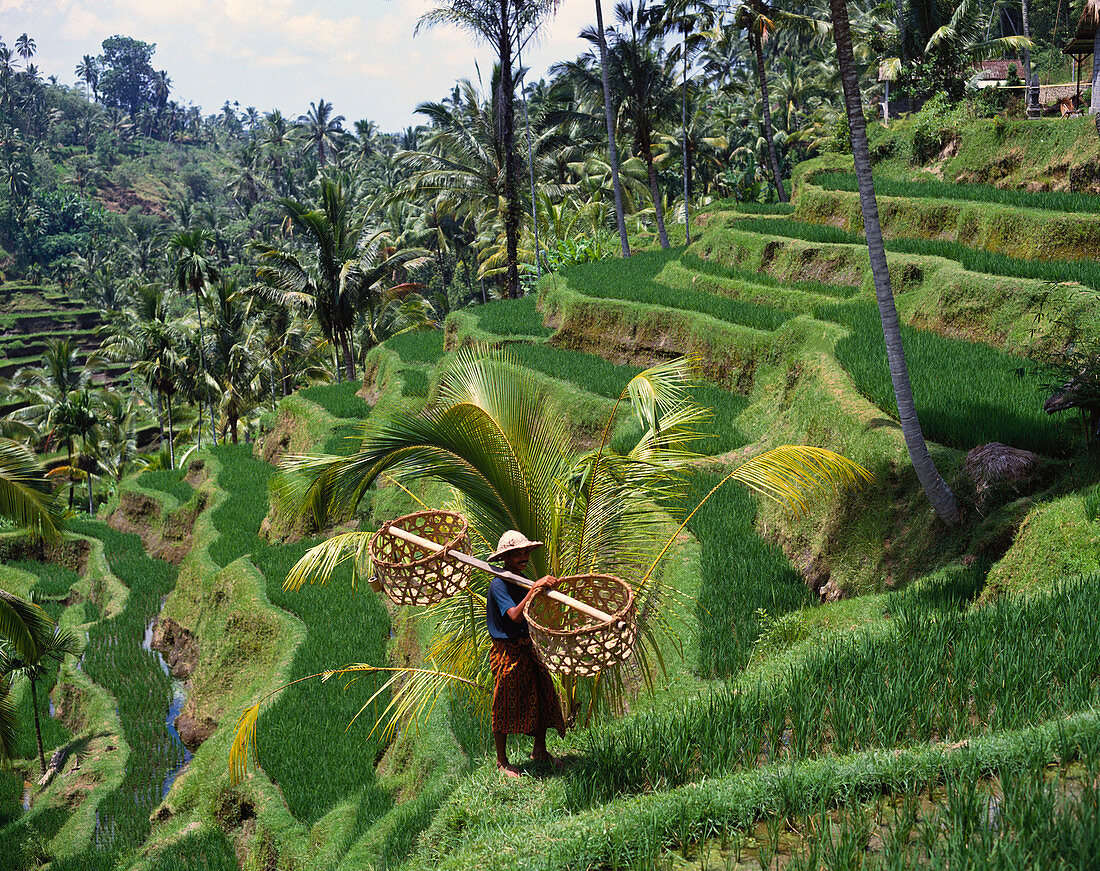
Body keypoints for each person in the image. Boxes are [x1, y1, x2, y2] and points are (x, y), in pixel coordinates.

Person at [485, 529, 566, 777]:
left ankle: (539, 750)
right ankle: (502, 761)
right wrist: (535, 589)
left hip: (528, 646)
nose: (523, 557)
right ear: (505, 558)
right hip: (508, 650)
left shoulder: (521, 580)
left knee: (542, 691)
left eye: (525, 553)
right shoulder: (500, 584)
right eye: (516, 554)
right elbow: (514, 615)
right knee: (504, 700)